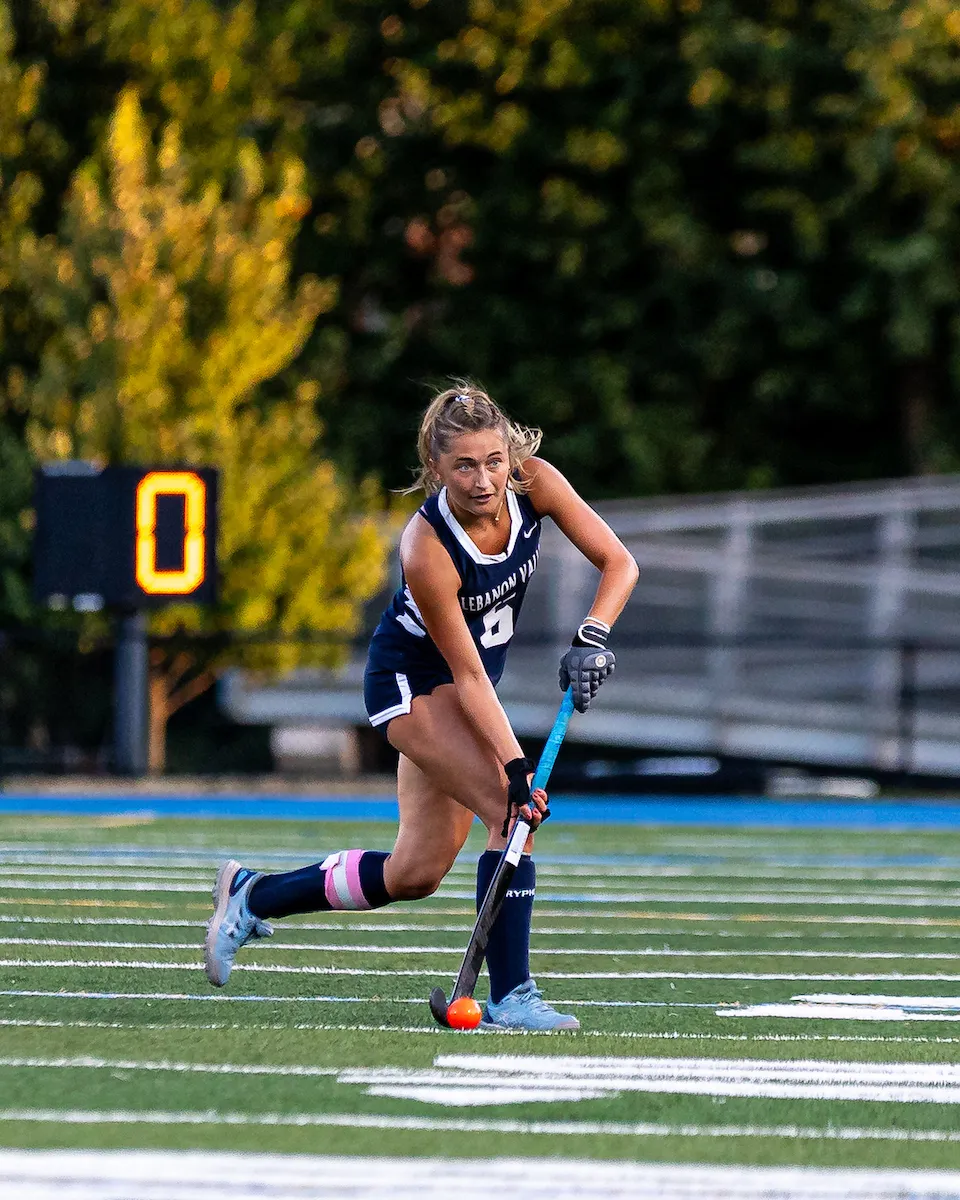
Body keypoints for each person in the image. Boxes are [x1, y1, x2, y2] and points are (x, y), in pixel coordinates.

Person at [204, 383, 638, 1030]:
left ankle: (254, 894)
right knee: (509, 810)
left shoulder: (534, 482)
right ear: (435, 468)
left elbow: (619, 564)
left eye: (493, 460)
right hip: (412, 688)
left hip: (467, 692)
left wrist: (593, 635)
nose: (484, 479)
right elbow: (463, 674)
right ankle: (512, 995)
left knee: (415, 872)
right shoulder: (426, 546)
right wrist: (515, 768)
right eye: (464, 465)